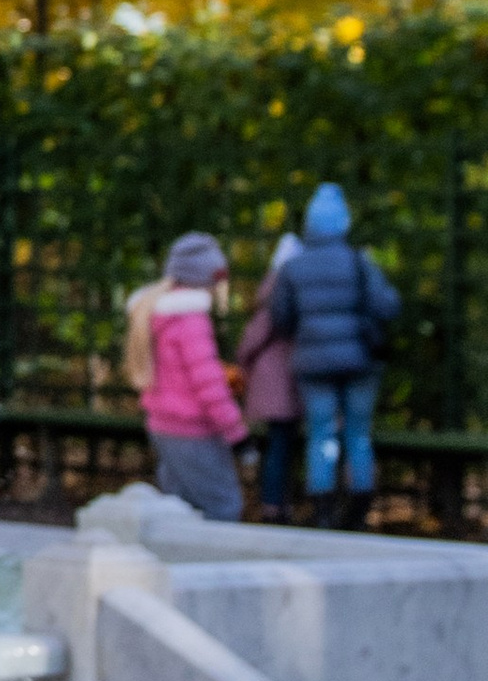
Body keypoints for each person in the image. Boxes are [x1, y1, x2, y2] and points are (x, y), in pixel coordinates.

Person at [270, 181, 398, 531]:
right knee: (358, 431)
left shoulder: (293, 267)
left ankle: (323, 506)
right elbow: (387, 307)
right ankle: (359, 503)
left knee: (321, 431)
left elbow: (280, 318)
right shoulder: (359, 262)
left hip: (312, 362)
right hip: (359, 361)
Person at [124, 230, 247, 522]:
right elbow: (208, 386)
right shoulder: (190, 320)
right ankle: (217, 569)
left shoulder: (155, 312)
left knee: (178, 511)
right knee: (224, 507)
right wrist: (237, 434)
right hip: (193, 431)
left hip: (163, 427)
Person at [236, 233, 302, 523]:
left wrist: (243, 362)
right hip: (288, 382)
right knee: (282, 444)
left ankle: (273, 503)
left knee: (278, 445)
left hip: (273, 382)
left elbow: (252, 339)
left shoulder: (272, 291)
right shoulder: (291, 290)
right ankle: (276, 504)